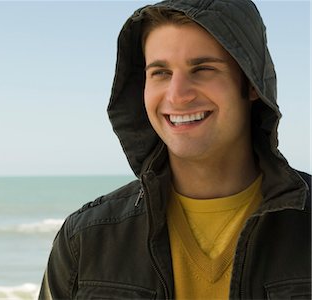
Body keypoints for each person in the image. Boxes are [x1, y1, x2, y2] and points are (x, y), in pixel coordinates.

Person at [39, 0, 311, 299]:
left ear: (251, 83)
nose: (177, 95)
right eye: (160, 73)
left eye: (203, 69)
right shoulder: (86, 238)